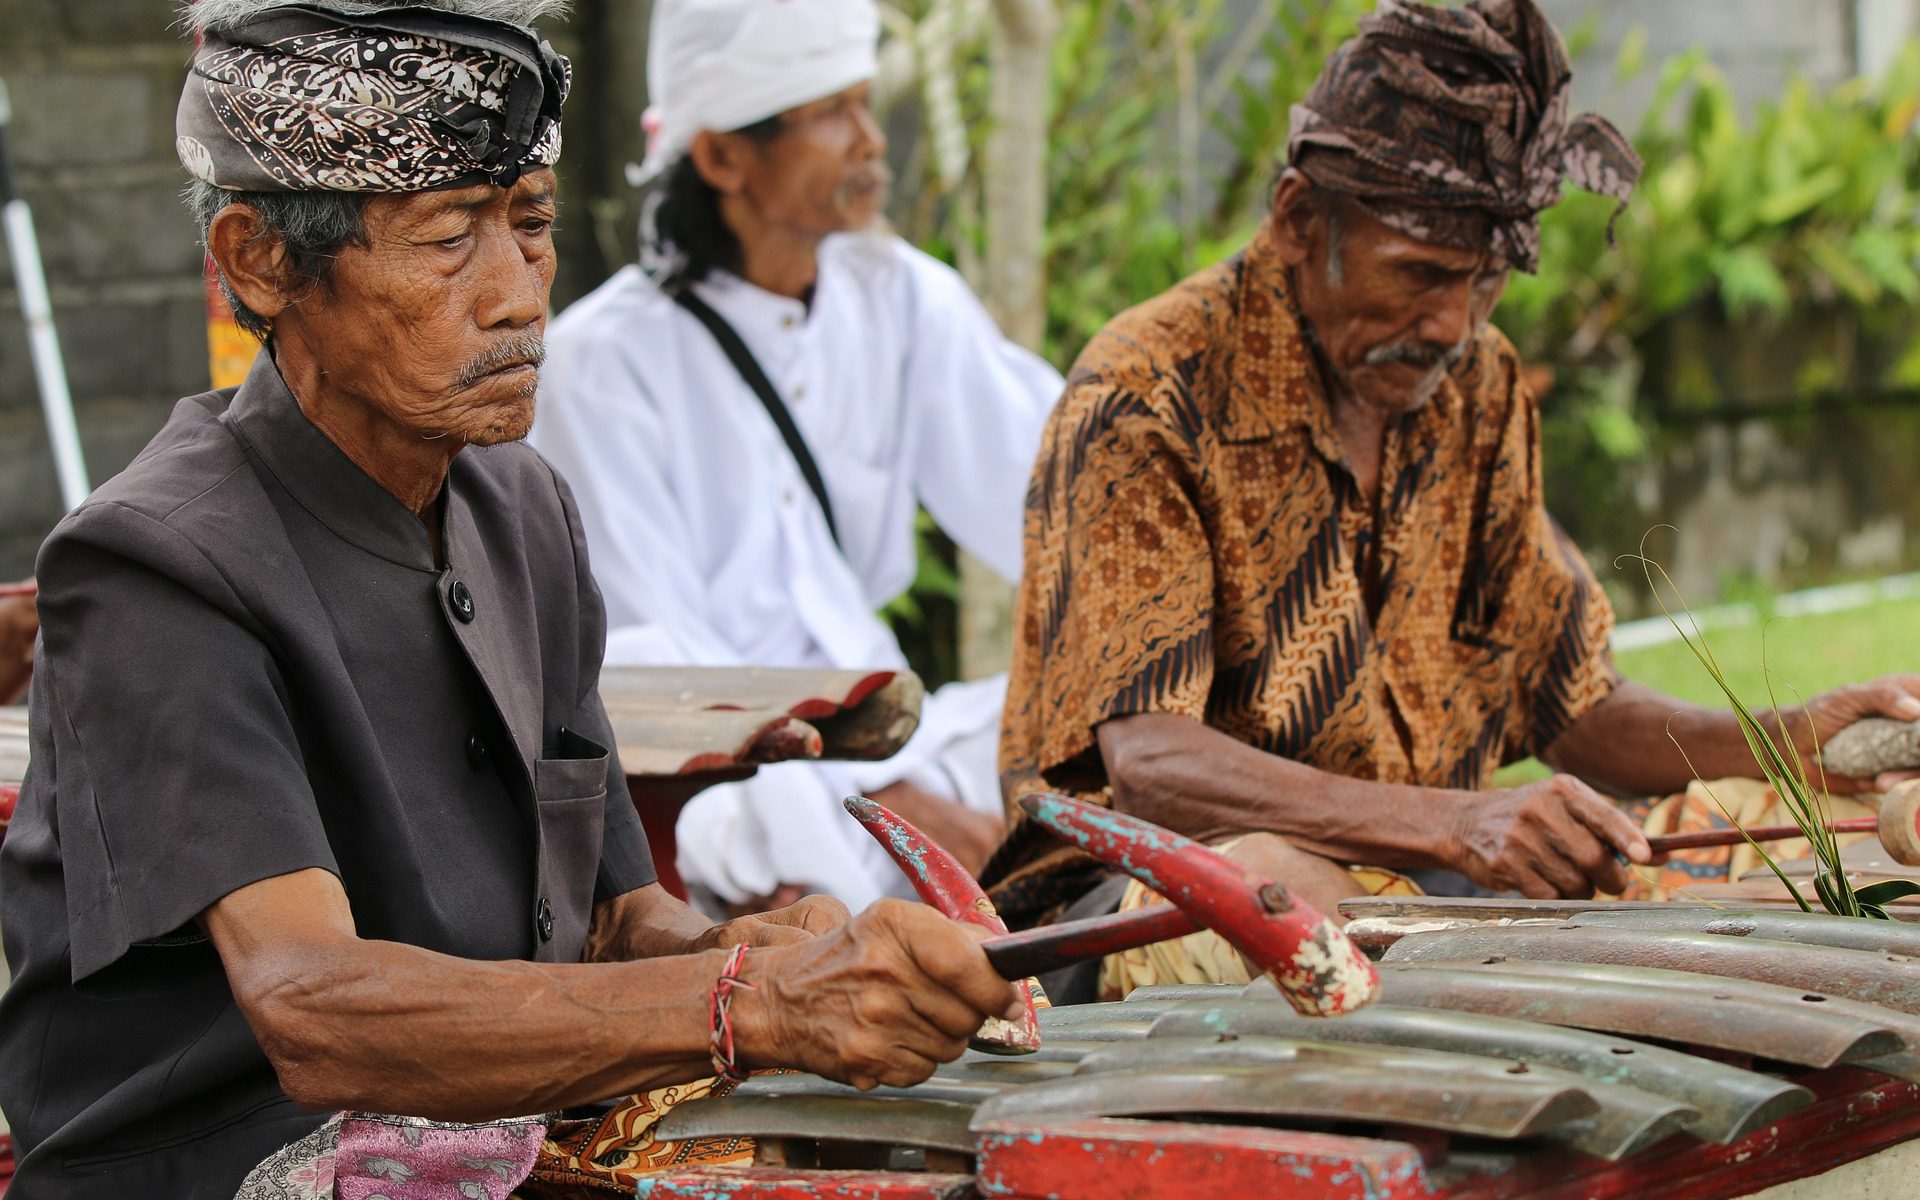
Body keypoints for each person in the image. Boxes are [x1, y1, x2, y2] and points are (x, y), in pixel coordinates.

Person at [0, 4, 1016, 1195]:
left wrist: (769, 947)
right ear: (260, 262)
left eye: (530, 225)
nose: (518, 294)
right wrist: (740, 998)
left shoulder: (521, 507)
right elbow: (311, 1007)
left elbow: (617, 921)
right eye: (447, 239)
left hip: (498, 1141)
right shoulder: (152, 564)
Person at [979, 0, 1920, 1001]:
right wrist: (1454, 821)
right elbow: (1154, 771)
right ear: (1301, 219)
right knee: (1291, 896)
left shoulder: (1475, 385)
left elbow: (1576, 707)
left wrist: (1790, 739)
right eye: (1423, 274)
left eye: (1485, 283)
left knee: (1830, 849)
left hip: (1428, 882)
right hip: (1140, 897)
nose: (1451, 323)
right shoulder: (1147, 393)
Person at [532, 0, 1062, 915]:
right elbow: (661, 678)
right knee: (745, 820)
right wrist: (884, 803)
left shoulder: (899, 299)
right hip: (732, 792)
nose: (870, 140)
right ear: (724, 156)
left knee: (1102, 729)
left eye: (864, 103)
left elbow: (1064, 499)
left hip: (898, 742)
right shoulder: (603, 366)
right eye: (831, 113)